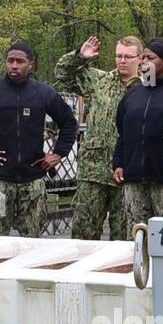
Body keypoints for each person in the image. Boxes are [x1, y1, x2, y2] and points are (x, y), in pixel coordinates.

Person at [0, 41, 79, 237]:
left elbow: (69, 123)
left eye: (20, 61)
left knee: (32, 238)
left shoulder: (44, 93)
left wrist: (59, 153)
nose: (14, 65)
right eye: (10, 61)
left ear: (31, 64)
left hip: (33, 182)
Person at [54, 35, 142, 239]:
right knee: (84, 232)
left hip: (127, 172)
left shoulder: (147, 88)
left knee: (124, 235)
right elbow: (62, 74)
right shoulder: (99, 81)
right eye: (118, 56)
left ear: (140, 58)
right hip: (93, 171)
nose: (122, 61)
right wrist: (80, 57)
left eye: (128, 57)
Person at [112, 38, 163, 234]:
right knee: (137, 232)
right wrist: (119, 163)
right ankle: (139, 265)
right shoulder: (132, 95)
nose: (144, 62)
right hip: (133, 178)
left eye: (150, 57)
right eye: (143, 57)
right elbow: (123, 133)